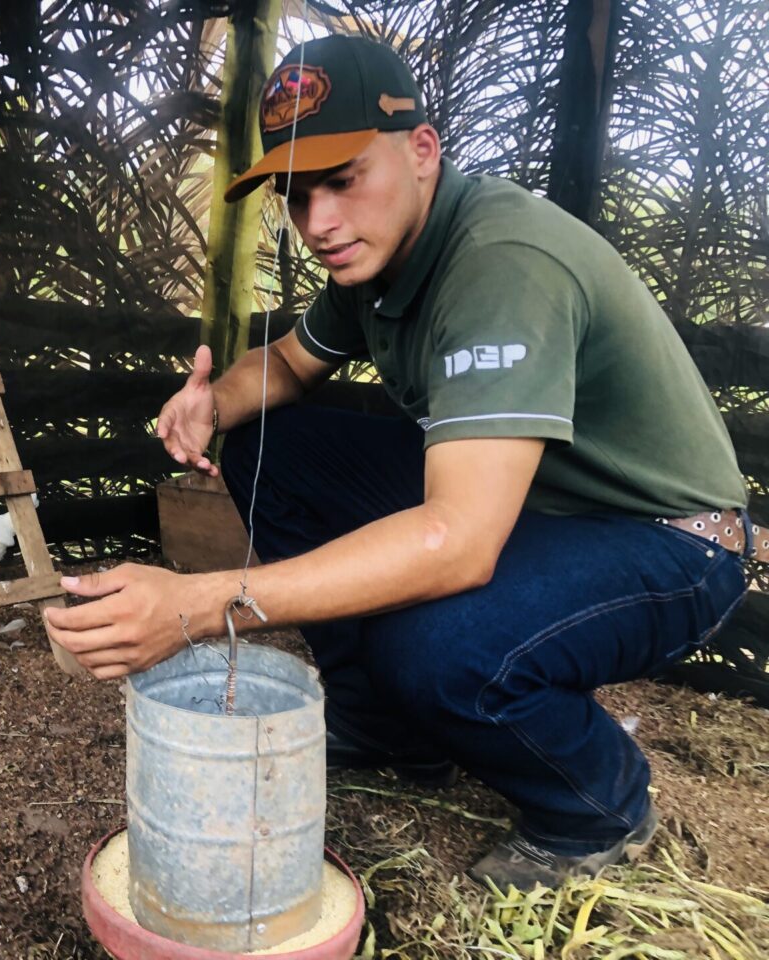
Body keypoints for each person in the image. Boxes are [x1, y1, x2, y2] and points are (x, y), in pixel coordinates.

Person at [43, 34, 753, 889]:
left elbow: (458, 543)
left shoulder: (500, 265)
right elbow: (288, 365)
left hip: (669, 541)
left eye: (343, 180)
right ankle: (386, 727)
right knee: (274, 445)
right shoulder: (376, 259)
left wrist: (199, 605)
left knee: (433, 645)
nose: (318, 224)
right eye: (297, 196)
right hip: (535, 506)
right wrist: (214, 404)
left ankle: (599, 804)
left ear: (422, 151)